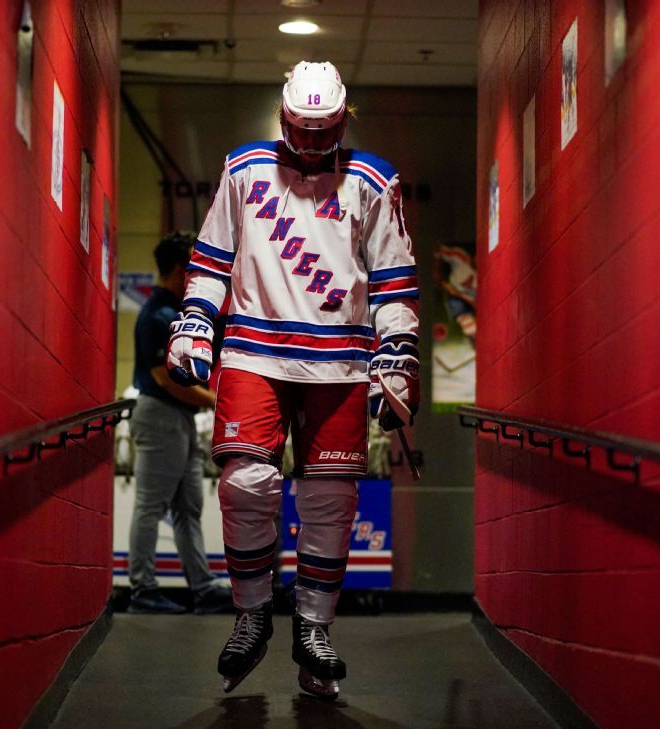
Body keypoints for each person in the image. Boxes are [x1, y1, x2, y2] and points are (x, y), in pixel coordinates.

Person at [165, 61, 419, 698]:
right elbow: (211, 259)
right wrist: (194, 323)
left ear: (341, 121)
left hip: (340, 360)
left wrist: (398, 354)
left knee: (330, 500)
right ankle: (253, 613)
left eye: (322, 131)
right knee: (246, 482)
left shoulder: (373, 178)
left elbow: (394, 280)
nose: (309, 144)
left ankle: (314, 629)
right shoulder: (243, 169)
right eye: (300, 132)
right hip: (255, 350)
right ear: (283, 119)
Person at [127, 233, 234, 615]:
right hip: (160, 416)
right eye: (194, 265)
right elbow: (167, 378)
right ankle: (142, 590)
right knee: (150, 505)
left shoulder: (180, 312)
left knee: (188, 507)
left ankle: (203, 587)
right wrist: (217, 402)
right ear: (179, 268)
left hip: (183, 420)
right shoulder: (158, 314)